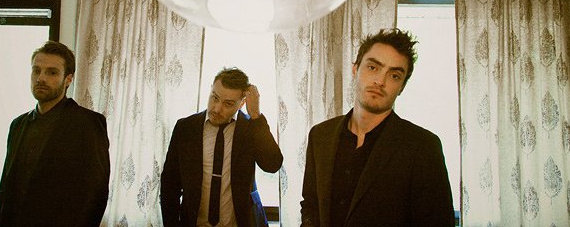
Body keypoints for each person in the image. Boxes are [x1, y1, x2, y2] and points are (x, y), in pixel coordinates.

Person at [300, 28, 455, 227]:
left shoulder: (423, 147)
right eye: (373, 67)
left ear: (402, 87)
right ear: (355, 69)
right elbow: (311, 205)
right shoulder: (321, 135)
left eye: (394, 76)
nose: (380, 81)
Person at [0, 41, 110, 227]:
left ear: (68, 79)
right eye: (36, 70)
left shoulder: (88, 123)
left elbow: (96, 193)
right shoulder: (18, 125)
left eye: (52, 72)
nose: (41, 78)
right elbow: (5, 190)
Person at [161, 67, 283, 227]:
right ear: (211, 89)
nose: (217, 108)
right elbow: (170, 183)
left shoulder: (251, 128)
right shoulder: (186, 128)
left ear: (242, 103)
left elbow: (272, 165)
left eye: (228, 104)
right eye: (215, 97)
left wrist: (255, 116)